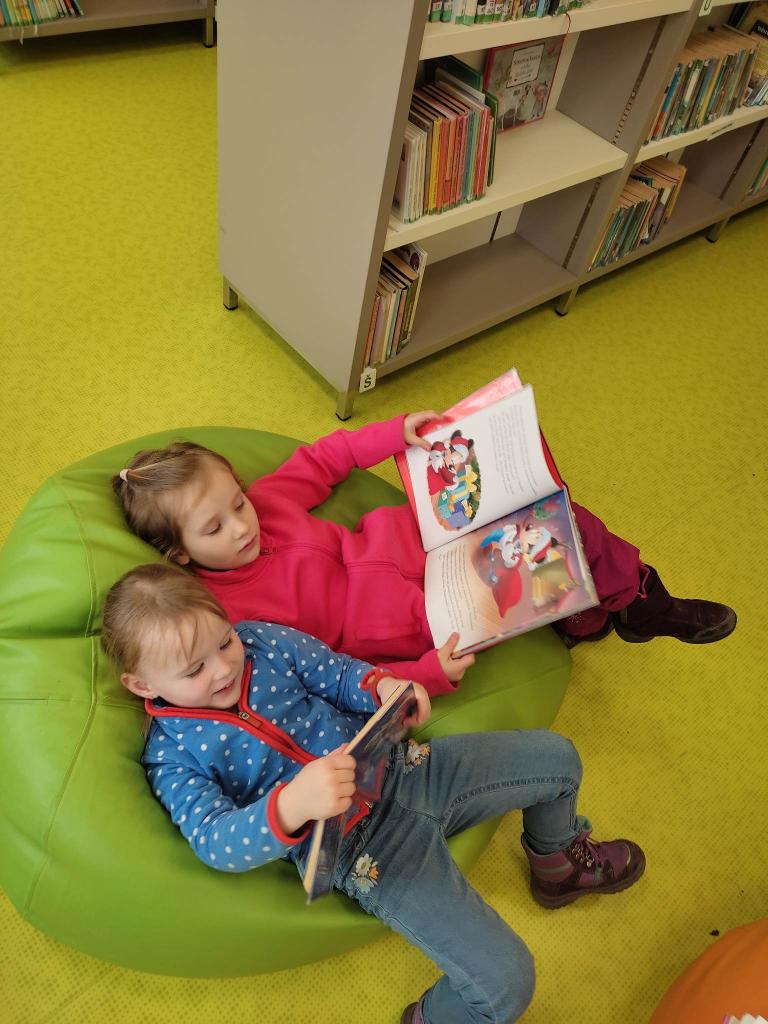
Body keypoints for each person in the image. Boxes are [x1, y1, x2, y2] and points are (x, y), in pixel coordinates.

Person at [102, 564, 647, 1024]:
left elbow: (336, 674)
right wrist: (292, 804)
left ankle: (557, 863)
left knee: (558, 758)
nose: (225, 665)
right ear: (142, 684)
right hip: (367, 852)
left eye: (223, 640)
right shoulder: (172, 755)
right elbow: (214, 840)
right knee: (506, 985)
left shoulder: (260, 641)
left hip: (411, 769)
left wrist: (385, 687)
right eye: (195, 669)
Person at [112, 413, 736, 696]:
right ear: (181, 554)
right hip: (422, 617)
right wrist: (426, 674)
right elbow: (324, 677)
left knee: (565, 518)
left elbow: (324, 459)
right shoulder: (227, 619)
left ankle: (640, 600)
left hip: (420, 537)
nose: (241, 525)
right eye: (214, 527)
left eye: (238, 502)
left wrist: (394, 433)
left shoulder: (267, 504)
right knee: (538, 553)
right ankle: (595, 616)